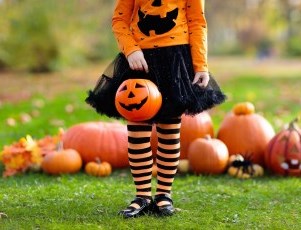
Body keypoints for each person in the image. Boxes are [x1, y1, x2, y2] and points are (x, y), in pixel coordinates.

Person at [86, 0, 226, 218]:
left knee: (169, 132)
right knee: (137, 131)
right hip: (138, 62)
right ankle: (142, 195)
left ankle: (163, 195)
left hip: (175, 64)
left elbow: (197, 22)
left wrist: (201, 65)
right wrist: (131, 50)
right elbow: (120, 20)